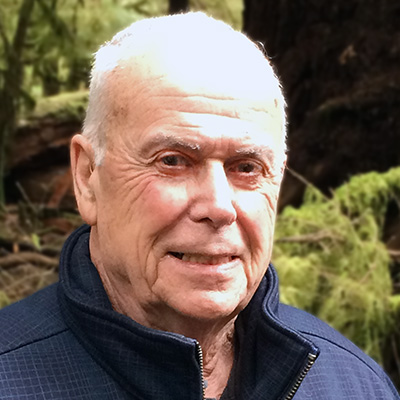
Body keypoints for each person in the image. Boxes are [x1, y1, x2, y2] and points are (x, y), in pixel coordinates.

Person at [0, 12, 397, 400]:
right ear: (88, 177)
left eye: (247, 167)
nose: (219, 207)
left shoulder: (352, 384)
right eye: (173, 161)